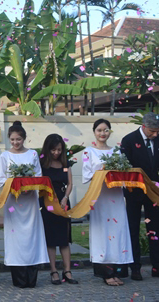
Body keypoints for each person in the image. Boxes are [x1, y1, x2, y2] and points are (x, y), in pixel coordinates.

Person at [0, 121, 49, 288]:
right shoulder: (5, 156)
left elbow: (38, 176)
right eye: (12, 140)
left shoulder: (32, 154)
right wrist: (15, 187)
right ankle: (18, 278)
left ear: (24, 138)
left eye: (18, 139)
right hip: (13, 203)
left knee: (31, 236)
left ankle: (31, 276)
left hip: (30, 201)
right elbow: (1, 180)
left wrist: (29, 186)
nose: (15, 143)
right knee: (15, 237)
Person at [83, 119, 133, 286]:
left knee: (118, 232)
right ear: (94, 132)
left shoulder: (117, 152)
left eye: (105, 130)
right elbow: (87, 176)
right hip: (100, 198)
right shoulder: (88, 152)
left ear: (109, 132)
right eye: (99, 130)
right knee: (103, 234)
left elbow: (124, 173)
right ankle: (106, 273)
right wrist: (102, 170)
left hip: (116, 197)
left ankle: (118, 271)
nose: (102, 133)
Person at [120, 112, 159, 280]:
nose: (156, 134)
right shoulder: (129, 140)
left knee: (155, 228)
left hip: (154, 191)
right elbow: (125, 166)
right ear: (144, 127)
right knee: (133, 228)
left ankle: (156, 265)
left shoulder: (158, 139)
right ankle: (135, 267)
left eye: (158, 131)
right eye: (153, 131)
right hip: (134, 191)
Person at [39, 134, 78, 285]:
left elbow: (70, 183)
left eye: (59, 150)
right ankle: (53, 271)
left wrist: (65, 198)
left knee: (64, 239)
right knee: (50, 240)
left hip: (63, 203)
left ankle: (67, 271)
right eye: (53, 150)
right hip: (47, 203)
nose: (56, 153)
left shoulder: (66, 164)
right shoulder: (42, 164)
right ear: (48, 149)